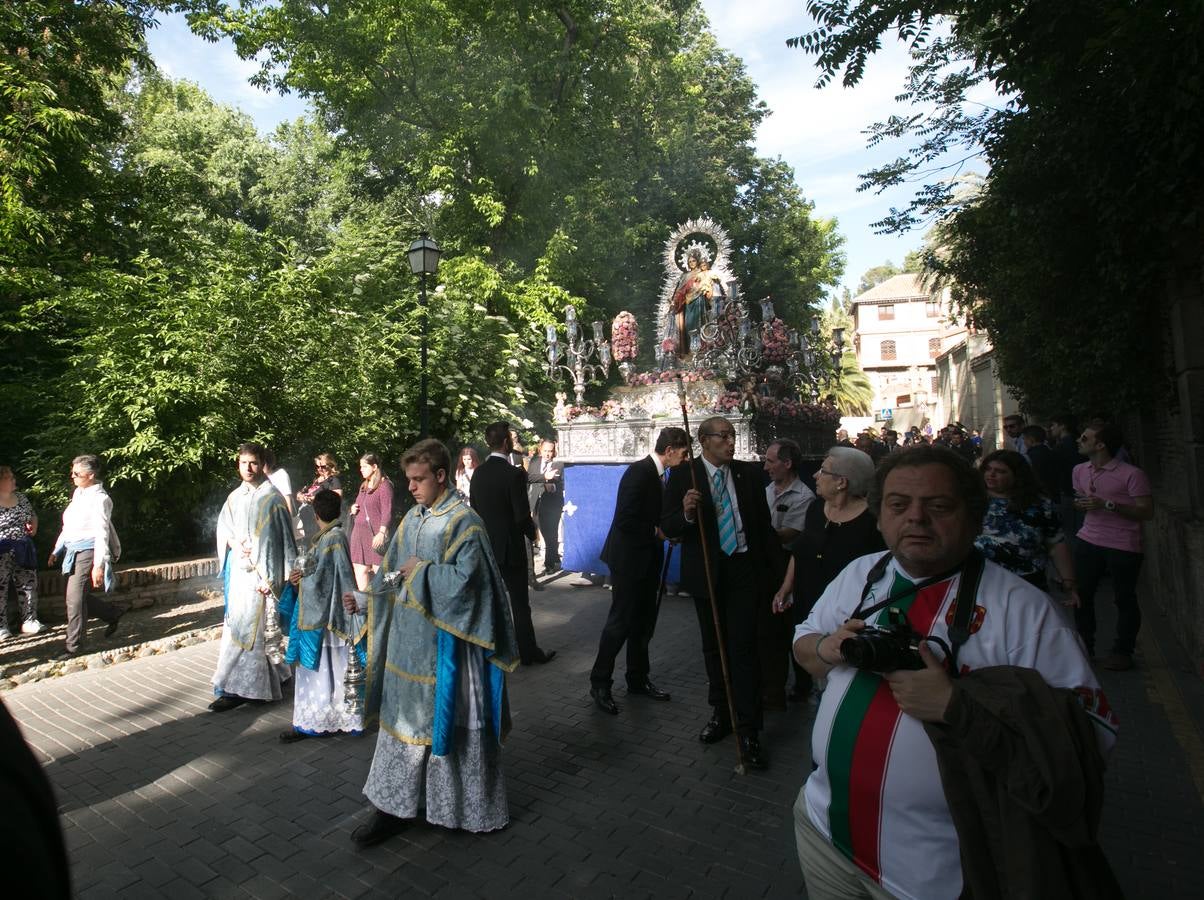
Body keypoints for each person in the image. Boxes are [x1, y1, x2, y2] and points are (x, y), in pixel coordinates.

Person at [792, 445, 1119, 900]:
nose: (916, 518)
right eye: (898, 504)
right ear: (879, 516)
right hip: (823, 832)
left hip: (940, 870)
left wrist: (956, 706)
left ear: (975, 517)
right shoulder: (860, 574)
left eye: (939, 506)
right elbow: (804, 646)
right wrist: (826, 648)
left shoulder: (1026, 611)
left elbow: (1085, 748)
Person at [343, 439, 520, 846]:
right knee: (402, 727)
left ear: (441, 476)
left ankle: (458, 808)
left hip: (448, 652)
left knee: (446, 728)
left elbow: (468, 586)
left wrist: (421, 570)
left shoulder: (465, 523)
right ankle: (392, 808)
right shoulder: (413, 519)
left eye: (419, 479)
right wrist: (368, 598)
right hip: (408, 649)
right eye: (408, 479)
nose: (411, 487)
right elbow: (392, 572)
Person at [662, 416, 782, 770]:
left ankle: (749, 728)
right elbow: (667, 525)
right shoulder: (684, 476)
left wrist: (778, 576)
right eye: (723, 436)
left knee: (743, 648)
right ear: (703, 440)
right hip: (708, 572)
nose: (731, 442)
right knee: (713, 647)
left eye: (733, 435)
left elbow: (763, 528)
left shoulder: (747, 474)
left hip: (743, 568)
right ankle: (721, 712)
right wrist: (686, 514)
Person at [589, 427, 691, 715]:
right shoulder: (640, 472)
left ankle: (637, 678)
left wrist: (669, 529)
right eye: (684, 453)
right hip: (629, 560)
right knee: (620, 622)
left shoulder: (661, 475)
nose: (685, 459)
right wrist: (657, 532)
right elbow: (625, 519)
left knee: (644, 621)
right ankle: (600, 683)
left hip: (647, 558)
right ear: (669, 450)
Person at [772, 447, 885, 702]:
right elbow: (800, 551)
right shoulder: (815, 509)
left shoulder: (873, 521)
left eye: (823, 471)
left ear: (841, 482)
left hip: (845, 613)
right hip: (807, 601)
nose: (815, 475)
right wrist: (786, 587)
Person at [210, 442, 296, 712]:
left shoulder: (273, 498)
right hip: (239, 574)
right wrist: (236, 544)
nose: (248, 468)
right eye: (243, 463)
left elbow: (284, 541)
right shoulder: (234, 497)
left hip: (262, 577)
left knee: (256, 631)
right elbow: (224, 529)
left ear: (262, 464)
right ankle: (273, 674)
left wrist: (276, 577)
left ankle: (247, 689)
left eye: (254, 463)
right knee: (237, 627)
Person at [279, 488, 363, 743]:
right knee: (333, 670)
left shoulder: (332, 539)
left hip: (327, 620)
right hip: (330, 615)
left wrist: (301, 581)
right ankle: (333, 719)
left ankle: (318, 721)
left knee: (321, 671)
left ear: (316, 515)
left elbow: (322, 581)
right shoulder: (331, 537)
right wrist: (300, 578)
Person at [1072, 422, 1154, 671]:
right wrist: (1081, 505)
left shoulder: (1132, 474)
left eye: (1084, 438)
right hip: (1088, 539)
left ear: (1100, 445)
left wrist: (1108, 505)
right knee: (1081, 595)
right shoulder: (1079, 470)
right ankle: (1084, 647)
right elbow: (1079, 498)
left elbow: (1146, 511)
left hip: (1123, 544)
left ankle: (1123, 652)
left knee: (1124, 598)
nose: (1078, 441)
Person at [472, 422, 555, 665]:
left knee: (490, 600)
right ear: (506, 442)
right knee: (519, 603)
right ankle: (528, 652)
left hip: (487, 546)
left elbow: (474, 510)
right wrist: (533, 533)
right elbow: (521, 515)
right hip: (511, 548)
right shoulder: (513, 474)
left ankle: (492, 650)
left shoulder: (478, 473)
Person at [976, 449, 1078, 601]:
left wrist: (1068, 581)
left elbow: (1056, 543)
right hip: (981, 580)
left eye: (1000, 471)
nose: (991, 474)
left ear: (1017, 476)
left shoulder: (1039, 504)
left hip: (1026, 582)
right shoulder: (971, 500)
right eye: (988, 469)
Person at [48, 455, 123, 660]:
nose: (72, 476)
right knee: (76, 595)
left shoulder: (100, 499)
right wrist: (57, 549)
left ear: (90, 475)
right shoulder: (79, 494)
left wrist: (99, 565)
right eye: (72, 472)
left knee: (74, 598)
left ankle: (74, 646)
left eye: (76, 473)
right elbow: (69, 526)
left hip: (88, 550)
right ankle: (112, 613)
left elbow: (102, 533)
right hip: (72, 550)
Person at [762, 439, 816, 708]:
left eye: (770, 461)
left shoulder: (804, 498)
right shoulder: (768, 490)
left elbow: (789, 535)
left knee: (788, 627)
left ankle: (800, 685)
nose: (766, 467)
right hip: (767, 565)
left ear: (787, 463)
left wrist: (756, 531)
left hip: (789, 566)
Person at [0, 466, 41, 638]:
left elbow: (33, 515)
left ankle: (30, 620)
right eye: (9, 478)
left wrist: (33, 527)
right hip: (1, 550)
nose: (13, 480)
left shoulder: (21, 498)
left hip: (23, 548)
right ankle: (1, 626)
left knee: (28, 584)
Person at [348, 453, 393, 591]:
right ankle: (364, 603)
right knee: (360, 571)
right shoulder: (364, 486)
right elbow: (360, 505)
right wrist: (353, 509)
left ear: (374, 467)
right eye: (360, 466)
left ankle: (382, 603)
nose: (361, 469)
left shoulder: (384, 485)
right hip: (359, 535)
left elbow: (387, 511)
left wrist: (382, 533)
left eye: (364, 466)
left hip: (375, 536)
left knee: (380, 575)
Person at [527, 440, 564, 575]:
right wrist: (545, 477)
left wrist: (552, 487)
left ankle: (549, 564)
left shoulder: (559, 464)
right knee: (543, 532)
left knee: (551, 533)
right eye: (545, 451)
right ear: (540, 450)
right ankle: (555, 558)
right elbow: (529, 477)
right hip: (536, 503)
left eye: (550, 451)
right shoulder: (534, 461)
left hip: (552, 504)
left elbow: (562, 483)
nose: (548, 454)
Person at [296, 453, 343, 546]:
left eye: (323, 466)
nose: (320, 469)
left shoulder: (333, 481)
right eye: (317, 467)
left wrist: (314, 499)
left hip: (321, 523)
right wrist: (301, 496)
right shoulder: (316, 480)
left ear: (330, 465)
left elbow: (336, 499)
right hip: (308, 520)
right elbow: (300, 493)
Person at [670, 249, 708, 358]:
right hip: (687, 303)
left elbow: (707, 284)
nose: (692, 263)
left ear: (698, 261)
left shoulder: (702, 272)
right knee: (687, 325)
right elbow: (680, 290)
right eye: (690, 261)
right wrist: (674, 301)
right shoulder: (685, 276)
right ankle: (690, 351)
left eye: (694, 261)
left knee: (698, 325)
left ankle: (700, 351)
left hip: (698, 301)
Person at [263, 449, 295, 520]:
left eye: (264, 462)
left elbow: (287, 499)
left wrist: (289, 521)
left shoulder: (280, 474)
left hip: (282, 518)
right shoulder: (260, 480)